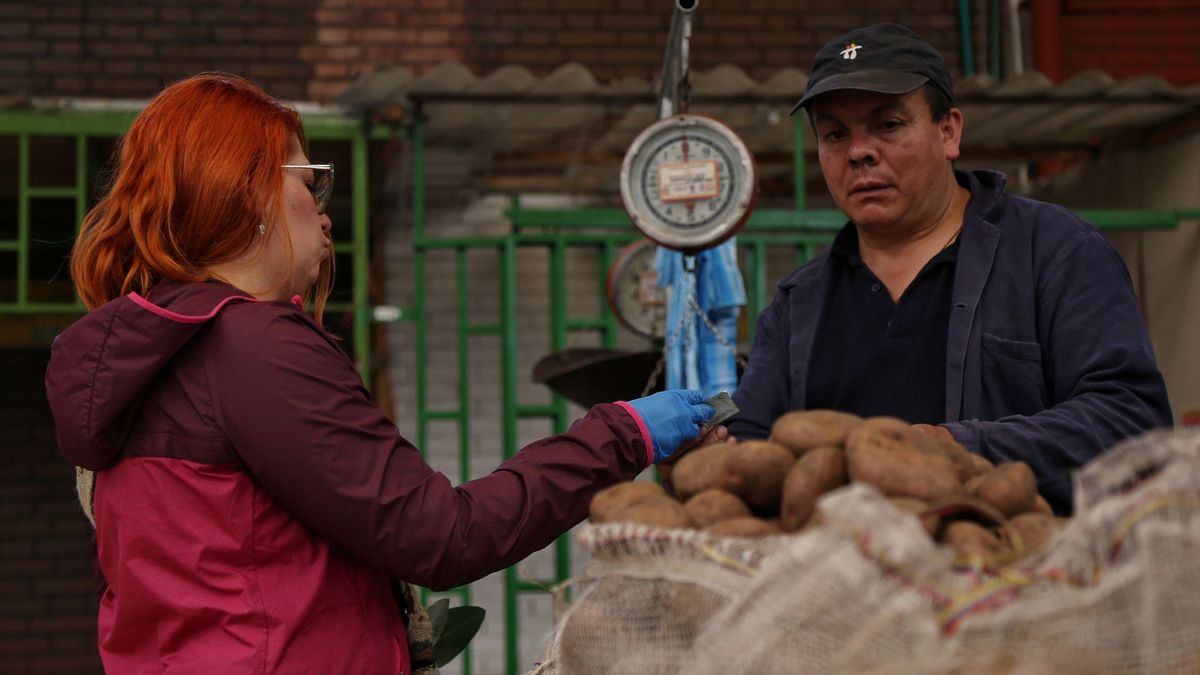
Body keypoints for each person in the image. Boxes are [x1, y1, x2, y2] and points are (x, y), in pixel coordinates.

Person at [43, 73, 716, 674]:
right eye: (308, 180)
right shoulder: (250, 344)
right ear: (243, 188)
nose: (324, 211)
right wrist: (621, 433)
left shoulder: (143, 353)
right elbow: (441, 535)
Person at [728, 23, 1172, 515]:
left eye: (888, 124)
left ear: (948, 132)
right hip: (838, 560)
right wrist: (714, 450)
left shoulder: (1056, 251)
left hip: (1017, 555)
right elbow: (750, 444)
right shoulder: (798, 303)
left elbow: (1132, 421)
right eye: (835, 134)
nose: (858, 152)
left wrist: (959, 448)